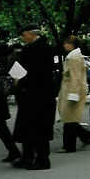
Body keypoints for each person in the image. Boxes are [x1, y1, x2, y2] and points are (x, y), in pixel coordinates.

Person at [12, 24, 56, 169]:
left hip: (35, 95)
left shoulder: (35, 49)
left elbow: (32, 72)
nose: (23, 38)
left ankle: (40, 159)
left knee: (35, 128)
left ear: (31, 34)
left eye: (24, 35)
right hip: (39, 95)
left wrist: (19, 80)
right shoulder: (45, 47)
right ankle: (30, 157)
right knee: (32, 127)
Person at [58, 36, 90, 152]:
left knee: (70, 119)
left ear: (71, 44)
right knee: (70, 118)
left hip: (73, 90)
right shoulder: (74, 56)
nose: (64, 45)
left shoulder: (74, 58)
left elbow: (75, 77)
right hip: (72, 90)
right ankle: (85, 136)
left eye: (66, 43)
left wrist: (73, 94)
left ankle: (69, 145)